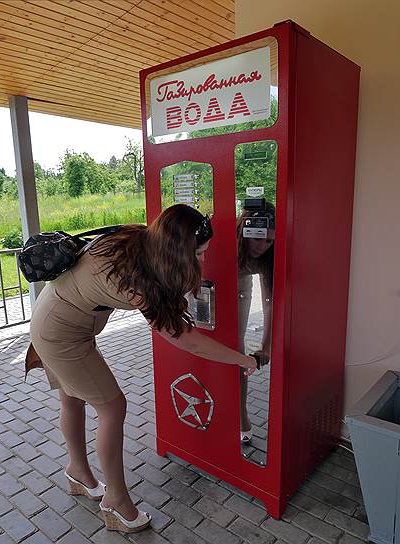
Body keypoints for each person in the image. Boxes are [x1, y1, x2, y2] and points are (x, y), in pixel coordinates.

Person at [25, 204, 257, 534]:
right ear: (177, 252)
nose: (203, 261)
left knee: (73, 399)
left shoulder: (140, 238)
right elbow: (186, 340)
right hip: (60, 334)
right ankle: (116, 503)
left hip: (53, 316)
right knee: (112, 406)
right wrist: (241, 358)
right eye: (200, 254)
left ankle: (77, 470)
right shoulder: (132, 279)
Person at [237, 199, 275, 444]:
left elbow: (269, 299)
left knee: (236, 349)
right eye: (257, 238)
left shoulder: (268, 257)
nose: (262, 246)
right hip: (208, 288)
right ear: (243, 230)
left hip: (241, 286)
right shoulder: (226, 236)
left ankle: (241, 417)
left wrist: (266, 344)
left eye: (269, 240)